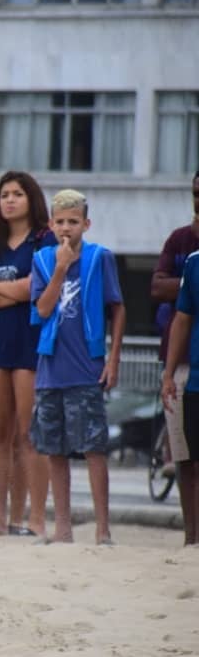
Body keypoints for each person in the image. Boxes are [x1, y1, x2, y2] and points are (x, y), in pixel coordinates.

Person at [31, 189, 124, 545]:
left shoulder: (100, 257)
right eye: (60, 222)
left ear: (86, 224)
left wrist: (113, 358)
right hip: (50, 369)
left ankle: (103, 528)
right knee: (54, 450)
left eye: (73, 221)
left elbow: (117, 308)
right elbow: (42, 309)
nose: (66, 228)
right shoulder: (42, 260)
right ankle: (62, 528)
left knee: (93, 448)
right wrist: (60, 268)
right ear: (51, 224)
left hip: (87, 368)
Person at [0, 172, 56, 538]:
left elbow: (37, 288)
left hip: (29, 344)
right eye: (4, 194)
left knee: (29, 434)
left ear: (31, 198)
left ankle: (34, 519)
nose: (8, 200)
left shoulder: (44, 239)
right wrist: (12, 292)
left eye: (17, 194)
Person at [151, 169, 199, 538]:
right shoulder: (184, 246)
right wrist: (168, 374)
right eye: (196, 192)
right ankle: (191, 536)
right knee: (185, 455)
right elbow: (157, 288)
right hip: (185, 366)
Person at [161, 244, 199, 546]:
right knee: (192, 461)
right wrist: (168, 374)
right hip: (196, 380)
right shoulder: (193, 263)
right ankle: (192, 539)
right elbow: (182, 318)